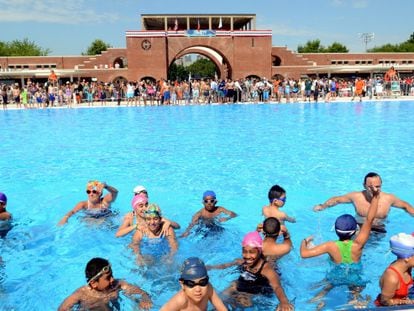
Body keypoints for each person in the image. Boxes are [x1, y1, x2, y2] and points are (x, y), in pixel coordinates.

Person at [301, 187, 380, 309]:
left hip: (336, 275)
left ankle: (319, 299)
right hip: (354, 276)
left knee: (328, 284)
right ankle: (355, 299)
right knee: (357, 288)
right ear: (355, 231)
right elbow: (369, 220)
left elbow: (304, 254)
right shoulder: (358, 244)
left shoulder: (330, 245)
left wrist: (304, 241)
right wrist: (375, 197)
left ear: (336, 231)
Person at [207, 231, 293, 311]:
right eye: (245, 252)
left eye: (252, 252)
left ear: (259, 251)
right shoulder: (241, 262)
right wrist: (210, 267)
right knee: (221, 298)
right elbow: (224, 265)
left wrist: (284, 301)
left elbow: (277, 286)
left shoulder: (266, 269)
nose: (247, 256)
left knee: (236, 301)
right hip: (238, 286)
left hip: (253, 293)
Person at [313, 172, 414, 233]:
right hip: (359, 228)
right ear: (364, 185)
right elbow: (337, 199)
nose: (374, 189)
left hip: (379, 230)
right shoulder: (357, 197)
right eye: (370, 187)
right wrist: (323, 206)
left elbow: (405, 206)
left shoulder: (388, 198)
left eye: (378, 186)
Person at [58, 257, 152, 311]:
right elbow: (62, 309)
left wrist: (145, 300)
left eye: (112, 275)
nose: (112, 279)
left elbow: (141, 293)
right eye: (108, 278)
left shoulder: (116, 285)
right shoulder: (81, 294)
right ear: (94, 283)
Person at [160, 257, 227, 311]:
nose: (198, 289)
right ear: (182, 284)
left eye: (202, 282)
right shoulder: (180, 301)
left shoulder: (208, 288)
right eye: (191, 284)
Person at [374, 233, 414, 307]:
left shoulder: (407, 266)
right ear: (407, 258)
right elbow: (385, 301)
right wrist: (407, 302)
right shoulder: (392, 278)